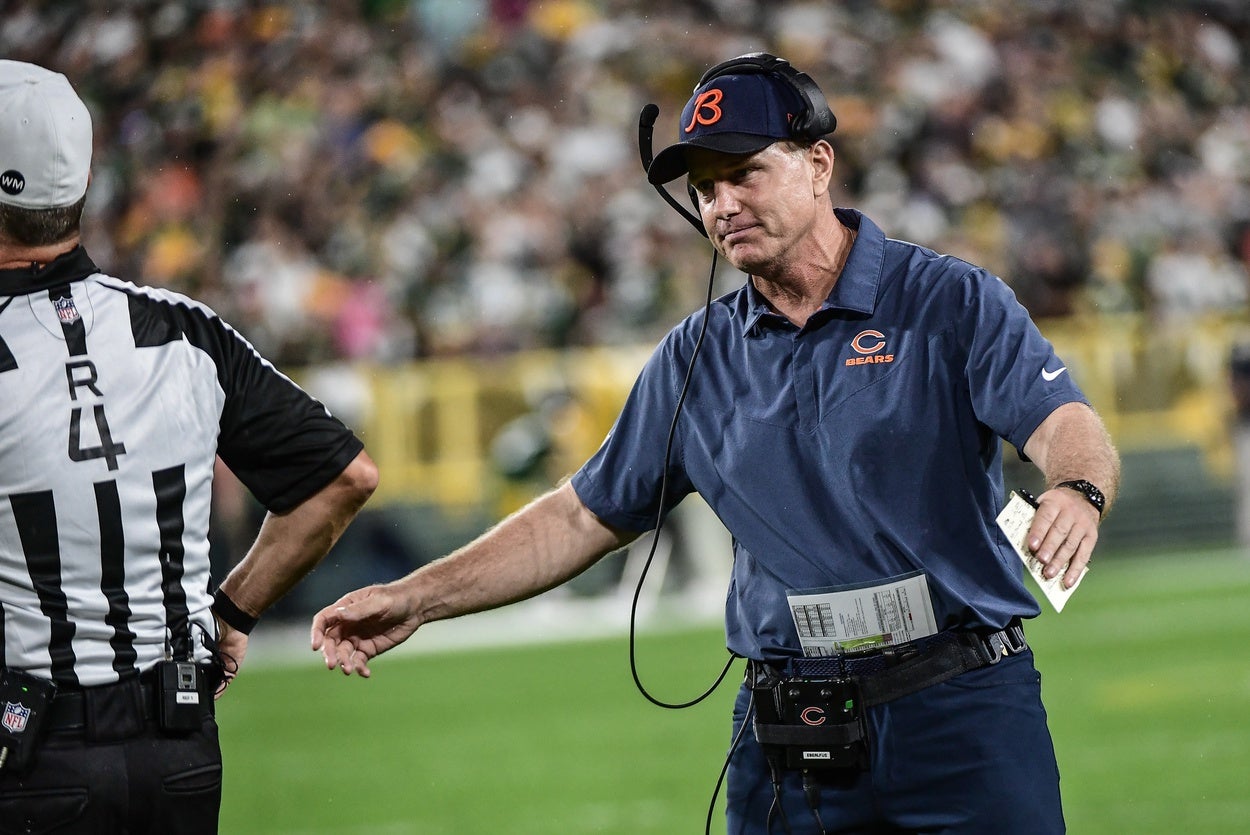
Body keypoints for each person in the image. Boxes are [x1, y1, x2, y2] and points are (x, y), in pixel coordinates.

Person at [312, 53, 1120, 834]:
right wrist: (418, 596)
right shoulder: (693, 355)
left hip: (962, 704)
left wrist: (1075, 489)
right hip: (793, 725)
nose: (722, 204)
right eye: (703, 189)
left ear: (818, 165)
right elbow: (580, 516)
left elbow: (1065, 423)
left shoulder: (950, 299)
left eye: (743, 173)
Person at [0, 60, 378, 833]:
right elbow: (344, 476)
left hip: (29, 749)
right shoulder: (183, 328)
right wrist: (232, 610)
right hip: (178, 748)